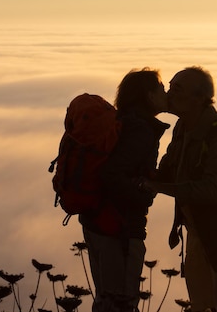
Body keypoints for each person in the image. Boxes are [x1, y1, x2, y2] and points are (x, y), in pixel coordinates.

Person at [144, 66, 217, 312]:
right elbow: (167, 171)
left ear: (199, 99)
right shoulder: (182, 128)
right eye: (170, 87)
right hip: (200, 238)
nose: (169, 93)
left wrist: (158, 187)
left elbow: (213, 189)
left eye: (177, 89)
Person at [79, 68, 169, 312]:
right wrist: (145, 194)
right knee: (121, 303)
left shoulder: (123, 122)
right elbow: (112, 175)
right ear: (149, 96)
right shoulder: (140, 129)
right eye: (161, 88)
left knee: (106, 300)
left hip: (98, 223)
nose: (166, 92)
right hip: (119, 230)